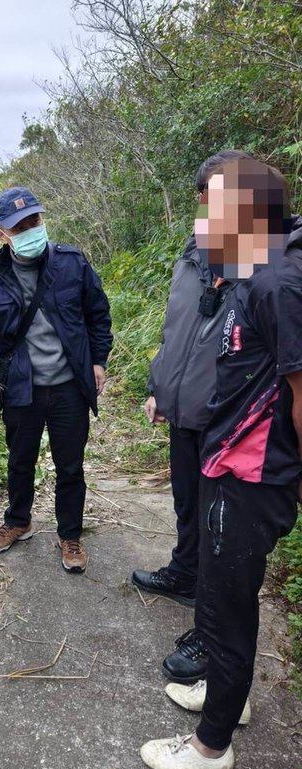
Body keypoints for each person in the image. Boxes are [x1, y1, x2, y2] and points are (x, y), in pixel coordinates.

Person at [141, 159, 302, 769]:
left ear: (246, 213)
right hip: (227, 455)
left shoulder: (277, 284)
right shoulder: (253, 271)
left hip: (253, 469)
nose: (201, 222)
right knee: (217, 591)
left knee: (229, 603)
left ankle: (211, 747)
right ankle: (224, 697)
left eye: (212, 208)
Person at [0, 186, 113, 573]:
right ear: (2, 235)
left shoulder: (72, 263)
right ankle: (19, 521)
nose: (31, 228)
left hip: (69, 385)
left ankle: (70, 535)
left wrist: (98, 361)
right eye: (20, 226)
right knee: (20, 460)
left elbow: (98, 314)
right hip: (21, 384)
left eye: (35, 219)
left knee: (70, 465)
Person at [132, 150, 254, 684]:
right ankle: (184, 575)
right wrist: (161, 388)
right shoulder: (193, 255)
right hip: (184, 409)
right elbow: (176, 332)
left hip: (228, 424)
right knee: (186, 504)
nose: (207, 209)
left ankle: (212, 632)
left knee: (220, 529)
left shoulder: (261, 269)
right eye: (205, 198)